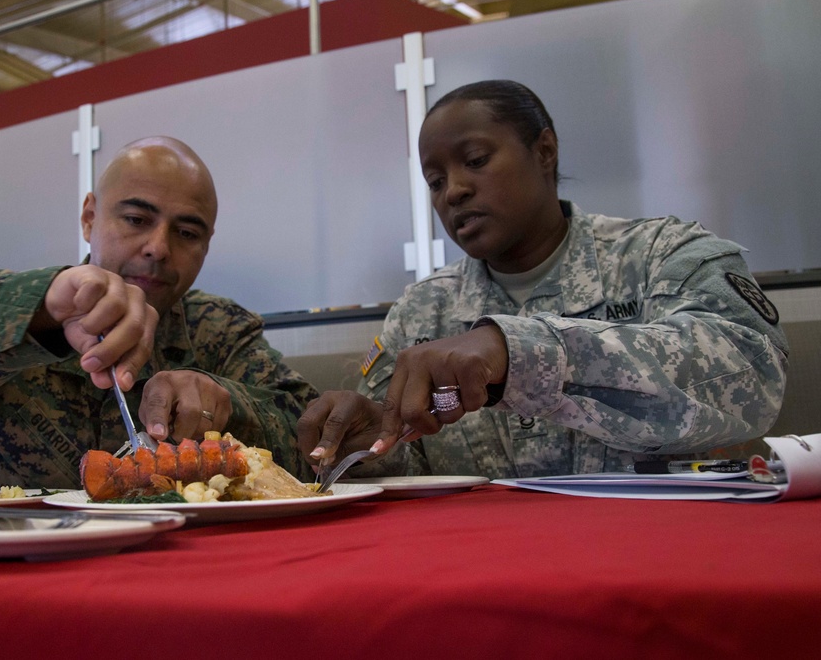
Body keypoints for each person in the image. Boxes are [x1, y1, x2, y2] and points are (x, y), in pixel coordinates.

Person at [298, 80, 789, 479]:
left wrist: (521, 353)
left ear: (545, 151)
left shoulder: (662, 254)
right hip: (484, 560)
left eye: (475, 160)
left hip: (660, 548)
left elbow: (753, 375)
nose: (454, 191)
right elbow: (411, 468)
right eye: (435, 181)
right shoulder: (421, 313)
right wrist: (371, 448)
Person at [0, 136, 317, 488]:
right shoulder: (27, 307)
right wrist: (37, 312)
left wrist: (228, 402)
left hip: (179, 565)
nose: (158, 247)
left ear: (207, 245)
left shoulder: (221, 329)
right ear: (90, 217)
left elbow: (314, 440)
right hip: (19, 563)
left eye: (187, 233)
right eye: (136, 219)